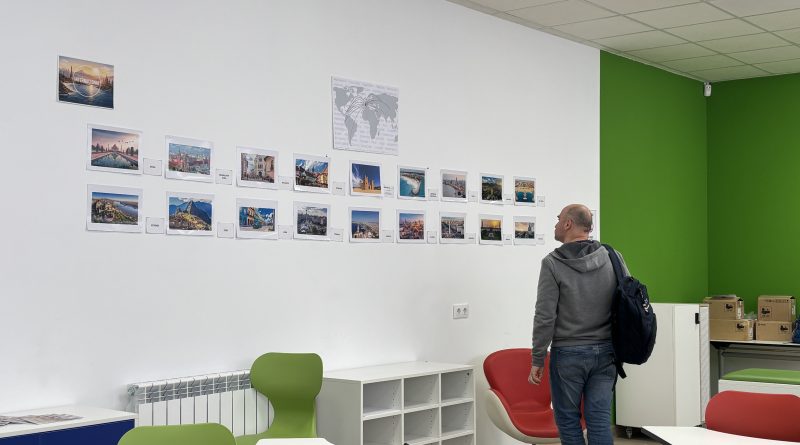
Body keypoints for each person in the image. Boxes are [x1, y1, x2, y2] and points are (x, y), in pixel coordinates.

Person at [528, 204, 626, 445]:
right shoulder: (612, 256)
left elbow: (545, 315)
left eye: (558, 218)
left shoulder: (552, 263)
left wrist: (538, 358)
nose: (555, 223)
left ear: (568, 224)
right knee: (599, 420)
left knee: (569, 421)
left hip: (568, 354)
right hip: (607, 353)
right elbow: (627, 301)